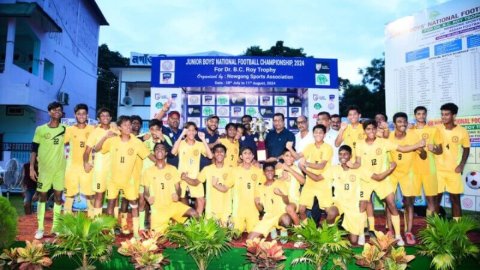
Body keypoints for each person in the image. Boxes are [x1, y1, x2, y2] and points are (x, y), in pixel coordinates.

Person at [350, 119, 425, 246]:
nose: (371, 131)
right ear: (364, 131)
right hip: (366, 179)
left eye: (373, 128)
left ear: (376, 129)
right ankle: (362, 235)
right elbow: (358, 162)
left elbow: (402, 148)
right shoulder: (359, 144)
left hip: (383, 179)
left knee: (392, 204)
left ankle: (398, 236)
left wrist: (417, 145)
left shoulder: (383, 142)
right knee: (362, 205)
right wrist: (351, 165)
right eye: (368, 129)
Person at [96, 115, 155, 238]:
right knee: (111, 205)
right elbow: (97, 149)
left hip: (129, 181)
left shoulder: (137, 142)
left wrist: (162, 164)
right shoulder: (112, 141)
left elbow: (149, 156)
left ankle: (136, 233)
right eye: (125, 125)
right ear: (119, 128)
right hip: (113, 180)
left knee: (134, 204)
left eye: (129, 125)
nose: (128, 127)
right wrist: (105, 136)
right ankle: (110, 231)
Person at [30, 101, 66, 239]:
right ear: (49, 112)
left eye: (59, 110)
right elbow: (33, 150)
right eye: (54, 110)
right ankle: (40, 228)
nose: (57, 112)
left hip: (59, 170)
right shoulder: (40, 129)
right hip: (44, 171)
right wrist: (32, 168)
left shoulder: (65, 129)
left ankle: (55, 227)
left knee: (58, 198)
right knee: (42, 197)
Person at [388, 112, 426, 245]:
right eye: (399, 122)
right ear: (394, 124)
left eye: (404, 121)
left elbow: (423, 155)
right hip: (392, 172)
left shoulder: (414, 135)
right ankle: (390, 231)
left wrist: (422, 150)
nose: (403, 124)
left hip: (409, 172)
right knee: (390, 202)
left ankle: (408, 232)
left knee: (409, 203)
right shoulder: (389, 136)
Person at [144, 143, 199, 233]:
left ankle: (189, 234)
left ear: (166, 153)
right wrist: (148, 197)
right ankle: (171, 227)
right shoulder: (148, 171)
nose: (160, 150)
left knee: (194, 214)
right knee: (158, 241)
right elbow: (146, 192)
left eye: (162, 149)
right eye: (157, 149)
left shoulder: (173, 169)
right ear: (154, 152)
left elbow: (178, 188)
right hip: (159, 210)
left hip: (173, 205)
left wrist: (177, 194)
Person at [286, 124, 333, 223]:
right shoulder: (310, 146)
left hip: (323, 182)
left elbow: (321, 166)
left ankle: (328, 230)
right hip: (310, 182)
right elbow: (297, 156)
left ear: (324, 134)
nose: (318, 134)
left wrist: (305, 165)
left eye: (320, 132)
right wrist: (290, 148)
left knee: (329, 211)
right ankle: (306, 229)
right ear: (313, 134)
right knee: (302, 209)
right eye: (316, 132)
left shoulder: (328, 148)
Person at [324, 145, 367, 245]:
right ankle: (333, 234)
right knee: (331, 212)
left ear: (350, 156)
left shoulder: (357, 169)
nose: (342, 156)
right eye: (340, 154)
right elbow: (321, 181)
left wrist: (363, 198)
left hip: (353, 205)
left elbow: (367, 183)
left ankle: (357, 230)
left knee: (353, 241)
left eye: (345, 154)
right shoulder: (334, 169)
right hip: (339, 203)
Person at [435, 103, 470, 220]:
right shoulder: (437, 129)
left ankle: (458, 229)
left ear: (454, 115)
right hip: (438, 170)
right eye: (442, 114)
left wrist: (461, 165)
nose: (443, 117)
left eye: (447, 114)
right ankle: (433, 229)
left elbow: (466, 148)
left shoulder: (462, 131)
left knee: (455, 199)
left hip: (453, 170)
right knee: (436, 199)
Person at [138, 119, 173, 232]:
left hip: (160, 176)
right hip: (144, 174)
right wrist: (142, 138)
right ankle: (141, 227)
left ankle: (160, 225)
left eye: (157, 129)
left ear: (161, 129)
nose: (154, 132)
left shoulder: (165, 138)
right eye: (152, 129)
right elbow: (131, 139)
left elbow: (172, 153)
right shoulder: (145, 137)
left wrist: (162, 138)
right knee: (142, 201)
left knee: (158, 202)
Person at [171, 122, 213, 215]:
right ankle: (186, 221)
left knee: (201, 199)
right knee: (182, 198)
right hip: (181, 176)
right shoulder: (180, 143)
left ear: (196, 132)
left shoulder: (199, 144)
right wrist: (181, 135)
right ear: (185, 131)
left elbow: (210, 156)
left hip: (195, 177)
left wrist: (203, 140)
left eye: (193, 130)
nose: (191, 132)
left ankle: (197, 222)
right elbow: (173, 152)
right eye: (188, 130)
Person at [83, 107, 118, 217]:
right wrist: (85, 163)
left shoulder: (116, 131)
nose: (105, 118)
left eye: (107, 115)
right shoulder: (95, 132)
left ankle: (113, 224)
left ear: (111, 118)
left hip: (114, 169)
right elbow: (87, 151)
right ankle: (97, 222)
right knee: (99, 195)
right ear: (98, 118)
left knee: (114, 197)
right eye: (102, 116)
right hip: (100, 169)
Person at [248, 162, 295, 241]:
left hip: (280, 214)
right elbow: (261, 210)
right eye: (267, 170)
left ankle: (283, 230)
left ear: (274, 172)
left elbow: (287, 203)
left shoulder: (281, 183)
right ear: (264, 172)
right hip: (268, 216)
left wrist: (282, 194)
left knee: (286, 220)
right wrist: (257, 203)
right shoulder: (260, 188)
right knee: (250, 239)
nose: (270, 172)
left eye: (272, 170)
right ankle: (272, 228)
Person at [64, 104, 95, 216]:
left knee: (90, 194)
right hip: (72, 167)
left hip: (87, 167)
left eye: (83, 113)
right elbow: (59, 145)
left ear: (87, 115)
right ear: (75, 115)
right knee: (70, 195)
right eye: (79, 113)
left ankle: (92, 222)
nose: (81, 116)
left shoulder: (93, 129)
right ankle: (67, 223)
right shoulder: (69, 130)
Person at [411, 106, 443, 215]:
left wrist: (433, 148)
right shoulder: (410, 131)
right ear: (415, 115)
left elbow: (440, 150)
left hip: (429, 169)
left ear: (426, 115)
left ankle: (431, 230)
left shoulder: (433, 130)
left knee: (431, 200)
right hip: (413, 170)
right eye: (418, 114)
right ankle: (408, 230)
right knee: (409, 201)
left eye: (423, 113)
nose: (421, 116)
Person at [231, 147, 265, 233]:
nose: (248, 155)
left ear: (253, 156)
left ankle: (250, 225)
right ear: (241, 156)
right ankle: (242, 226)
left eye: (250, 153)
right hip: (238, 210)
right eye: (245, 153)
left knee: (254, 239)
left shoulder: (258, 171)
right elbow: (226, 187)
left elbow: (267, 183)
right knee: (236, 236)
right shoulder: (234, 171)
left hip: (253, 210)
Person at [197, 144, 234, 224]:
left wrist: (215, 185)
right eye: (217, 152)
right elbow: (196, 181)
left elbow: (225, 189)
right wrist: (186, 178)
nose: (219, 153)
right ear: (213, 154)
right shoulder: (207, 169)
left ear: (225, 154)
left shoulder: (231, 170)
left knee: (225, 234)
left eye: (222, 152)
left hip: (226, 209)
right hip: (211, 209)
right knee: (211, 234)